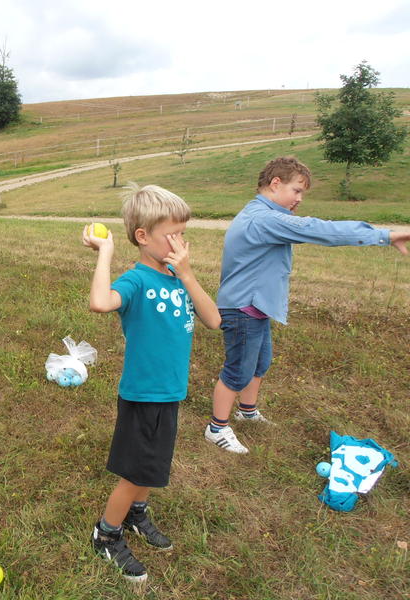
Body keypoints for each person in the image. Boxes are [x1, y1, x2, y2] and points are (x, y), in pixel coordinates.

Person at [205, 156, 410, 454]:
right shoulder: (264, 219)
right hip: (243, 309)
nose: (299, 199)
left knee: (260, 364)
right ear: (275, 184)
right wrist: (384, 236)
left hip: (256, 307)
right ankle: (217, 428)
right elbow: (321, 230)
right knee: (238, 371)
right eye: (296, 191)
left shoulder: (261, 214)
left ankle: (247, 411)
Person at [82, 184, 221, 582]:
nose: (180, 243)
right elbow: (100, 302)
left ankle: (135, 514)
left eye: (183, 234)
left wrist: (189, 274)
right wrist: (106, 254)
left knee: (154, 465)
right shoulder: (137, 280)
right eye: (171, 235)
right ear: (143, 238)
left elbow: (214, 320)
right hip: (144, 394)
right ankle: (106, 534)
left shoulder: (180, 279)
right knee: (136, 471)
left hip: (171, 391)